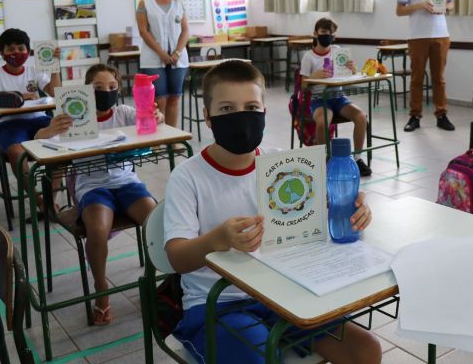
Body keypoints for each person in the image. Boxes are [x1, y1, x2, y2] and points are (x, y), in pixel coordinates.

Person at [164, 60, 381, 364]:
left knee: (365, 349)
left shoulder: (284, 164)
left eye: (252, 107)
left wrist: (355, 208)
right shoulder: (188, 177)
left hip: (285, 294)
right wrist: (218, 238)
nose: (241, 116)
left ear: (265, 111)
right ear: (208, 117)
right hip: (220, 303)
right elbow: (177, 257)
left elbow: (321, 215)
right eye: (227, 109)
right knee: (260, 358)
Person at [36, 64, 163, 325]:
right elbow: (38, 143)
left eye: (112, 88)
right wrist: (49, 130)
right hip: (93, 187)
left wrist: (156, 118)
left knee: (156, 220)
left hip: (127, 183)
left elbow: (157, 138)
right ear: (86, 90)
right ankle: (101, 289)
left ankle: (158, 282)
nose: (106, 92)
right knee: (97, 229)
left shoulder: (126, 113)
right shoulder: (76, 116)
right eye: (98, 88)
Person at [0, 28, 61, 213]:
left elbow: (55, 92)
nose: (16, 53)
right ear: (1, 52)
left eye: (21, 48)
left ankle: (50, 201)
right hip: (9, 122)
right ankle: (38, 201)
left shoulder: (34, 70)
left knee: (62, 145)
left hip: (39, 119)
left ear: (28, 50)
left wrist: (55, 68)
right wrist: (17, 96)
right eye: (10, 49)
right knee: (16, 152)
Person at [395, 0, 455, 132]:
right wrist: (420, 5)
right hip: (417, 36)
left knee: (440, 78)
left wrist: (444, 8)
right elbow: (399, 11)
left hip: (441, 35)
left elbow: (451, 2)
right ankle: (414, 116)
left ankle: (442, 114)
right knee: (417, 78)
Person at [300, 18, 372, 176]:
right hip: (319, 99)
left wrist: (352, 69)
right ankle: (324, 159)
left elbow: (349, 74)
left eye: (331, 33)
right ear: (315, 33)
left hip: (338, 96)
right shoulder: (309, 57)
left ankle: (358, 158)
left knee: (361, 116)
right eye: (324, 32)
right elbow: (302, 85)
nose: (328, 36)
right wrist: (314, 76)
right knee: (322, 121)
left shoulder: (338, 50)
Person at [136, 0, 189, 128]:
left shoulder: (177, 3)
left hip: (177, 59)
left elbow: (185, 30)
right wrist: (162, 54)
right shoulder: (144, 2)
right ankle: (160, 138)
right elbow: (144, 31)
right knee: (159, 100)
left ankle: (173, 137)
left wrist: (177, 53)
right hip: (153, 58)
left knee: (174, 97)